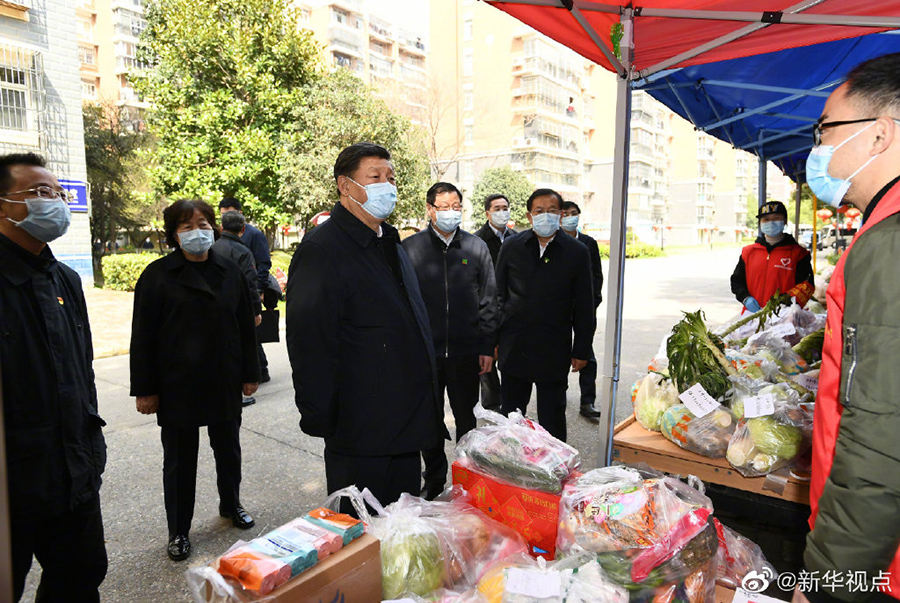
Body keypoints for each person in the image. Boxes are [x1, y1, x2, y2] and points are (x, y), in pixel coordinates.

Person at [792, 52, 900, 603]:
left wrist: (830, 579)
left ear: (880, 134)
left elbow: (883, 431)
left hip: (880, 565)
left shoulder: (891, 241)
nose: (819, 147)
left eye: (827, 129)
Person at [285, 142, 445, 512]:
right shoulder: (322, 249)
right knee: (362, 528)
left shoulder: (388, 241)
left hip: (405, 417)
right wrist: (322, 416)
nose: (386, 186)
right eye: (375, 177)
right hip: (359, 426)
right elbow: (310, 342)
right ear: (345, 185)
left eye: (390, 178)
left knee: (402, 527)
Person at [0, 153, 108, 601]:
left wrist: (91, 449)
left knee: (81, 576)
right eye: (40, 192)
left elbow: (82, 369)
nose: (55, 203)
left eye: (58, 194)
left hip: (72, 470)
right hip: (12, 484)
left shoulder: (64, 278)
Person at [130, 199, 260, 562]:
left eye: (203, 224)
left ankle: (231, 504)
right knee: (179, 461)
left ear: (214, 228)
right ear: (174, 234)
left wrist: (250, 374)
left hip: (223, 378)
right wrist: (145, 389)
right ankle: (178, 530)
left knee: (228, 451)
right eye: (186, 227)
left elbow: (244, 327)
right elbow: (142, 336)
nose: (196, 232)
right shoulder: (156, 276)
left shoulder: (229, 271)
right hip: (177, 385)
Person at [403, 182, 497, 499]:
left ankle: (466, 478)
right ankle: (433, 479)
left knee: (466, 417)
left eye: (456, 207)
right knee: (428, 418)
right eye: (443, 207)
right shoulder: (410, 249)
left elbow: (489, 300)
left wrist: (487, 346)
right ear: (430, 209)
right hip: (423, 354)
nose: (450, 212)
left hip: (465, 351)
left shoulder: (475, 247)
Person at [495, 188, 595, 442]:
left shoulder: (576, 251)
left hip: (554, 347)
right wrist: (493, 341)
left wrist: (582, 349)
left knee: (552, 416)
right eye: (539, 211)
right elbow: (498, 296)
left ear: (560, 215)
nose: (546, 216)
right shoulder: (512, 246)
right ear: (529, 216)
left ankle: (555, 462)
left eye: (552, 210)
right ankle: (511, 461)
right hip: (514, 346)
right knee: (512, 417)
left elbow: (585, 304)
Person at [219, 196, 272, 383]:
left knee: (251, 335)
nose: (227, 218)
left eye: (230, 213)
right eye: (223, 214)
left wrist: (259, 291)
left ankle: (260, 370)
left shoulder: (254, 235)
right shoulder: (217, 242)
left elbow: (262, 264)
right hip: (229, 297)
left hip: (247, 293)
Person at [214, 211, 264, 406]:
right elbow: (250, 283)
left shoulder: (212, 248)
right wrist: (256, 310)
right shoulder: (242, 252)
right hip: (236, 309)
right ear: (243, 229)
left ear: (221, 228)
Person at [560, 201, 604, 420]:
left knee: (586, 354)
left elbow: (596, 275)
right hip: (559, 309)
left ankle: (587, 401)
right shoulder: (554, 241)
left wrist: (592, 301)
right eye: (565, 214)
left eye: (574, 213)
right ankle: (558, 396)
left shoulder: (588, 243)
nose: (570, 217)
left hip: (583, 309)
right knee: (558, 355)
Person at [730, 200, 815, 312]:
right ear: (760, 223)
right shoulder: (748, 252)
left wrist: (784, 303)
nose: (771, 222)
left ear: (785, 221)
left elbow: (807, 285)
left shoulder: (798, 254)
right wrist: (745, 298)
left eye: (776, 218)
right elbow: (736, 281)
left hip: (785, 316)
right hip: (752, 315)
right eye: (766, 219)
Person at [474, 193, 516, 411]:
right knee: (487, 364)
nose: (502, 212)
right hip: (486, 312)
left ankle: (509, 410)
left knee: (510, 366)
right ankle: (491, 408)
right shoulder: (477, 241)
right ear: (487, 213)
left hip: (511, 313)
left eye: (505, 208)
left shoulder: (517, 239)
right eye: (497, 208)